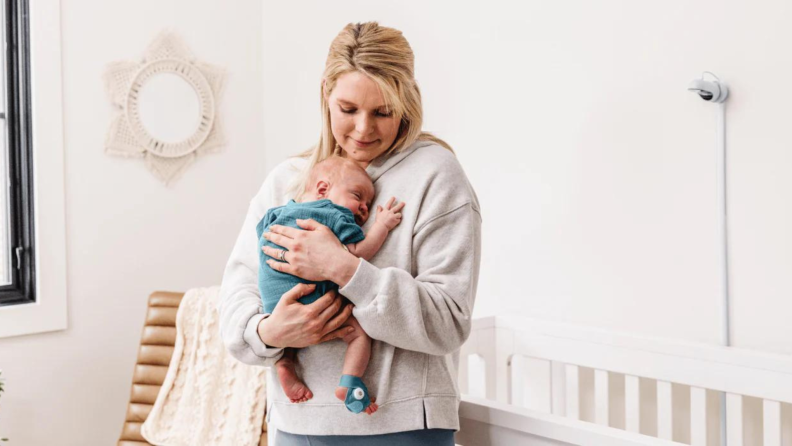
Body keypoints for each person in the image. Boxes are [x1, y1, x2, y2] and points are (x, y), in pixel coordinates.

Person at [219, 21, 481, 445]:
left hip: (404, 427)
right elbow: (235, 299)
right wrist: (270, 333)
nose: (363, 129)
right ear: (326, 93)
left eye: (382, 112)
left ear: (407, 104)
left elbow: (448, 322)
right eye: (348, 109)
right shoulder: (286, 181)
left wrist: (345, 268)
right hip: (298, 427)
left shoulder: (435, 175)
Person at [257, 155, 404, 415]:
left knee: (289, 334)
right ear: (323, 189)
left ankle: (285, 361)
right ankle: (349, 382)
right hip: (314, 297)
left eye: (368, 205)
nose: (364, 209)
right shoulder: (333, 215)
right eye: (358, 196)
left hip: (274, 305)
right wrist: (381, 225)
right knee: (358, 333)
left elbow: (261, 235)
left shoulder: (277, 213)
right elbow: (358, 252)